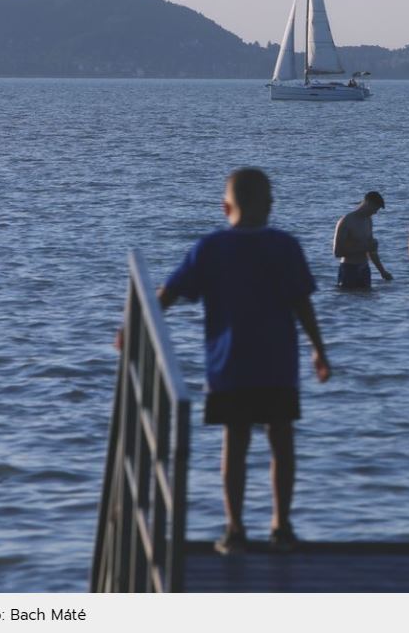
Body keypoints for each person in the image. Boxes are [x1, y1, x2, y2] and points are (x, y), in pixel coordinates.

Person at [152, 168, 331, 555]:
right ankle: (281, 525)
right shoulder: (284, 246)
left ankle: (235, 529)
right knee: (281, 441)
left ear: (224, 206)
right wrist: (319, 349)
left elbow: (169, 293)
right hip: (278, 365)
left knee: (235, 443)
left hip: (228, 366)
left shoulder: (211, 248)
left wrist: (135, 326)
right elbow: (302, 303)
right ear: (270, 206)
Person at [333, 191, 394, 289]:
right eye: (375, 209)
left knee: (367, 301)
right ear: (368, 203)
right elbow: (337, 252)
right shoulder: (346, 221)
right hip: (349, 269)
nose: (375, 212)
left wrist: (382, 272)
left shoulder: (368, 220)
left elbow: (371, 250)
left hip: (365, 269)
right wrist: (364, 248)